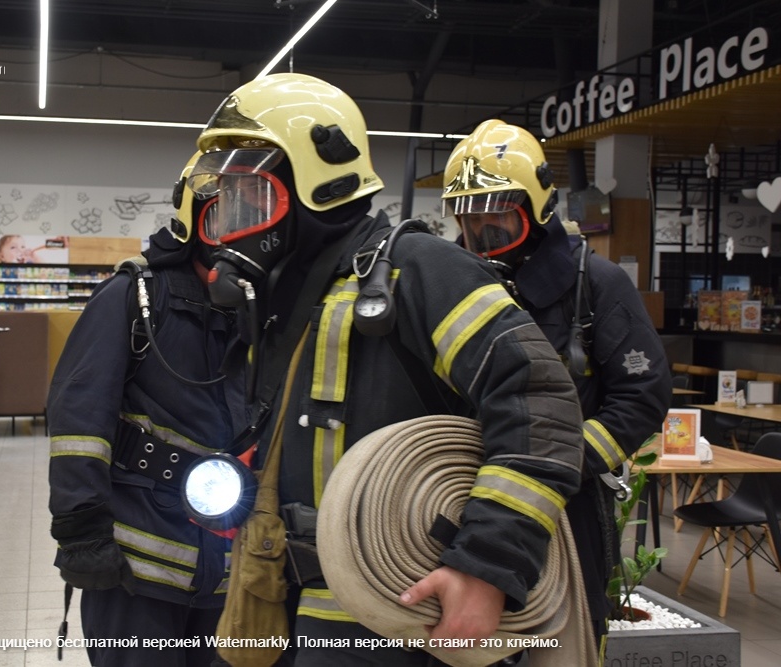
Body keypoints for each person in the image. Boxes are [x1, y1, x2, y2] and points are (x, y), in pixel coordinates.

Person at [187, 73, 585, 666]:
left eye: (254, 194)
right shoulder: (283, 296)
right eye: (229, 200)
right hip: (286, 602)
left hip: (400, 616)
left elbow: (543, 403)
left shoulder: (421, 270)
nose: (238, 219)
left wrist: (487, 566)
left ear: (318, 182)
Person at [440, 119, 673, 657]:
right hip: (462, 495)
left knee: (563, 643)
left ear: (536, 206)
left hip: (567, 506)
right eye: (468, 215)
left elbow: (642, 394)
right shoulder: (449, 284)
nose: (480, 229)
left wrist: (562, 464)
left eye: (497, 211)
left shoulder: (596, 285)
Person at [47, 154, 246, 667]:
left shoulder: (265, 317)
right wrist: (82, 534)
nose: (239, 234)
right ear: (193, 219)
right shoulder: (134, 297)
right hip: (135, 573)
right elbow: (77, 420)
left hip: (233, 575)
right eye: (225, 216)